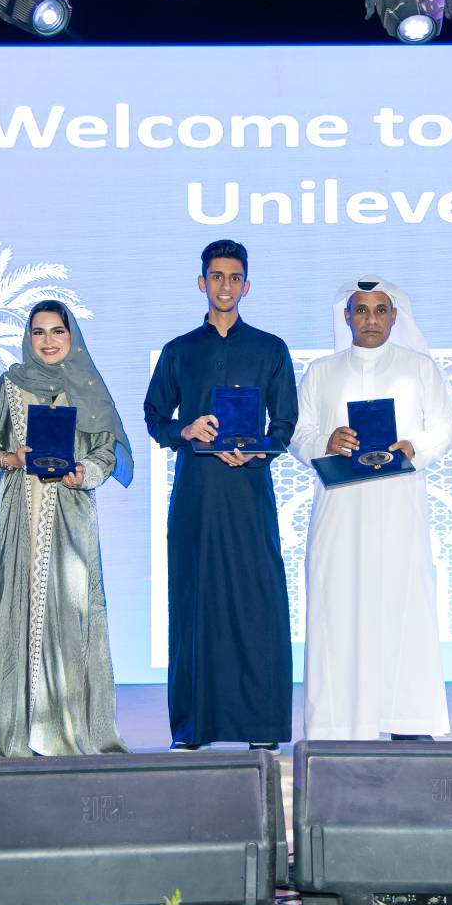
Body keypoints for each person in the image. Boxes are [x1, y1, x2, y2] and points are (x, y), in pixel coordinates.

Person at [143, 239, 298, 750]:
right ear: (202, 282)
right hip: (197, 496)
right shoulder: (179, 350)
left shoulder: (270, 349)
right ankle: (193, 729)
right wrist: (185, 431)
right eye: (216, 276)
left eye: (234, 277)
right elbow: (155, 417)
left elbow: (287, 421)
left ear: (246, 285)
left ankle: (261, 726)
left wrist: (260, 450)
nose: (225, 286)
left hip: (249, 492)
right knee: (195, 602)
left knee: (257, 602)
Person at [290, 277, 452, 741]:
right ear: (347, 317)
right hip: (340, 511)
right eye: (361, 311)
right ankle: (339, 722)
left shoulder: (420, 368)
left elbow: (445, 427)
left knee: (403, 605)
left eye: (380, 310)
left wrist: (413, 445)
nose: (370, 320)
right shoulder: (322, 371)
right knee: (337, 608)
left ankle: (409, 719)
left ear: (394, 316)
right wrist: (326, 441)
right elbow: (298, 435)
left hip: (399, 507)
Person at [0, 302, 133, 757]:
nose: (48, 341)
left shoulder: (87, 385)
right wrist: (9, 458)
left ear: (73, 337)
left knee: (73, 612)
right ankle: (20, 734)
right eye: (39, 332)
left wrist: (84, 472)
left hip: (70, 513)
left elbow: (108, 451)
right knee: (20, 610)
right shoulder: (9, 385)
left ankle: (71, 728)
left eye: (58, 332)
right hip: (21, 513)